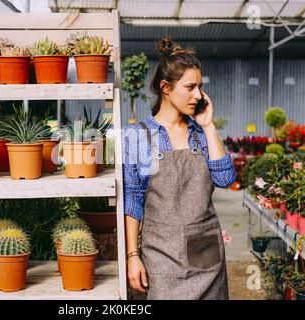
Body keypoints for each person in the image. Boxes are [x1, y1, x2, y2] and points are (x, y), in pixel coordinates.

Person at [122, 36, 236, 300]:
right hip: (160, 256)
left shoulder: (200, 133)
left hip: (206, 254)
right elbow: (132, 201)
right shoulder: (136, 136)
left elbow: (225, 178)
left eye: (200, 87)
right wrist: (132, 256)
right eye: (190, 87)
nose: (198, 95)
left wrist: (208, 126)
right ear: (165, 87)